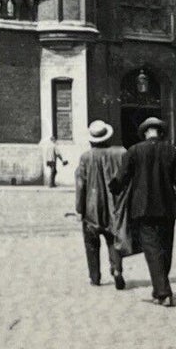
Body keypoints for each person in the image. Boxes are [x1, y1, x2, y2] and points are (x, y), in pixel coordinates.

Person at [110, 115, 176, 307]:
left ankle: (163, 292)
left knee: (152, 250)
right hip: (167, 208)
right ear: (160, 132)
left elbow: (120, 179)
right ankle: (160, 289)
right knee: (165, 249)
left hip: (142, 209)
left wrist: (113, 187)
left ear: (146, 132)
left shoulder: (134, 151)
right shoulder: (171, 152)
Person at [75, 121, 128, 289]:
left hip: (91, 208)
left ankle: (95, 277)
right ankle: (117, 269)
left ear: (92, 140)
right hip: (115, 207)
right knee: (114, 240)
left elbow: (80, 184)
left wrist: (79, 208)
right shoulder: (120, 153)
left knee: (91, 243)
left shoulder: (85, 157)